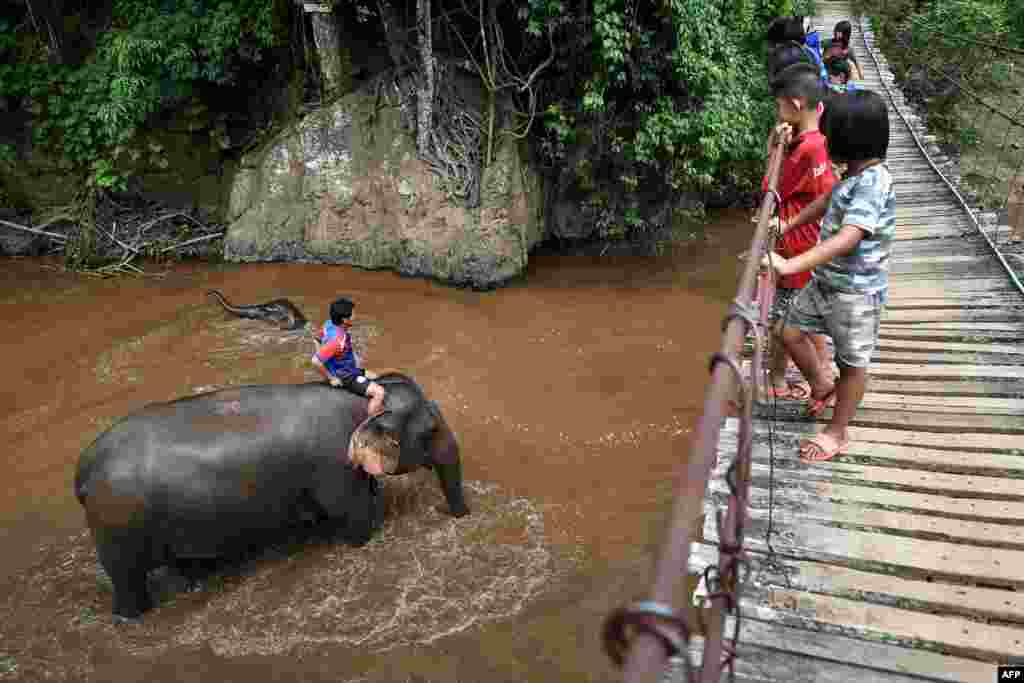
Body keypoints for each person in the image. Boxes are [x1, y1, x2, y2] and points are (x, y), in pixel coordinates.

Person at [761, 89, 894, 462]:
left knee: (852, 364)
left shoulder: (873, 184)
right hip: (826, 282)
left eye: (829, 134)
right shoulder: (852, 175)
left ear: (847, 142)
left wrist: (790, 264)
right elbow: (826, 202)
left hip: (855, 294)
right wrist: (787, 225)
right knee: (786, 330)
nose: (824, 140)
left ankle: (837, 432)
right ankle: (822, 385)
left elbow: (850, 236)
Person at [762, 63, 837, 401]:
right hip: (809, 241)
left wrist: (773, 147)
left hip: (794, 245)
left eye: (779, 105)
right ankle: (814, 371)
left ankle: (809, 380)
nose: (778, 111)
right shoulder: (819, 142)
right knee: (796, 315)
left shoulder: (802, 149)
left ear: (794, 104)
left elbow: (770, 186)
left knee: (784, 321)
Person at [311, 297, 387, 415]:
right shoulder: (338, 341)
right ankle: (371, 424)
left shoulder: (328, 324)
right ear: (344, 320)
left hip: (348, 368)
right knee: (379, 392)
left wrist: (327, 361)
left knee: (375, 376)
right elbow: (316, 361)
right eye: (352, 314)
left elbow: (316, 338)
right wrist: (332, 378)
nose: (355, 316)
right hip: (346, 376)